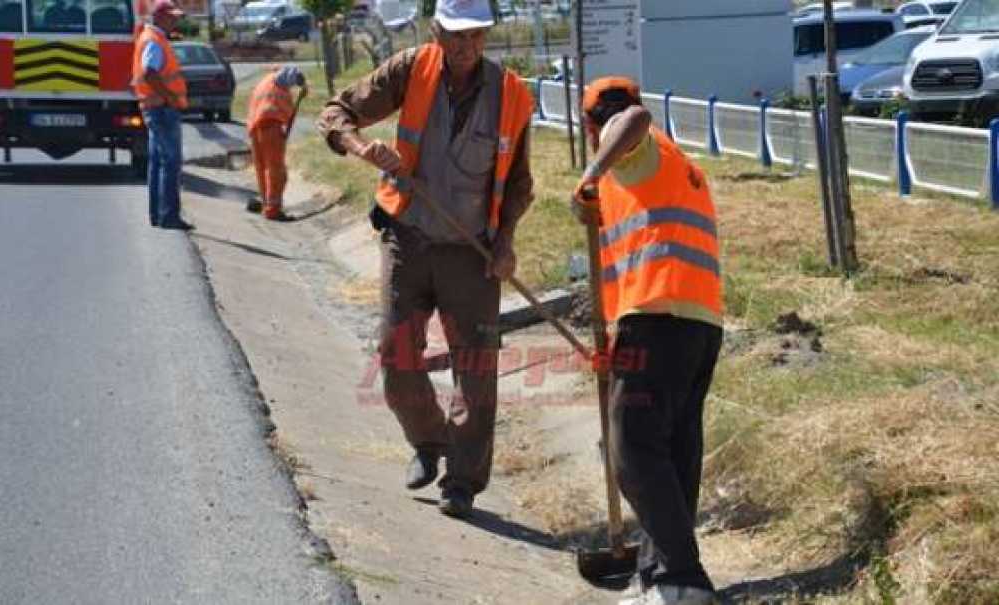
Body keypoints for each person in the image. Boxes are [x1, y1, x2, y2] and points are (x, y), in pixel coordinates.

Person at [316, 0, 534, 518]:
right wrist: (359, 146)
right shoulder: (412, 68)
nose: (466, 47)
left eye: (476, 35)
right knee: (396, 357)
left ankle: (461, 482)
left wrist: (505, 243)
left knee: (476, 370)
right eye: (456, 35)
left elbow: (520, 182)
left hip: (472, 251)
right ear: (435, 30)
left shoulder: (512, 94)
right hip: (407, 237)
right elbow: (336, 112)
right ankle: (429, 440)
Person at [571, 77, 723, 605]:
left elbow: (631, 121)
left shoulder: (633, 147)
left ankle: (682, 577)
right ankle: (661, 575)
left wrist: (591, 173)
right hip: (695, 321)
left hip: (660, 316)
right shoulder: (671, 165)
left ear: (593, 126)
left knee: (631, 447)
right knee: (673, 452)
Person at [131, 0, 192, 231]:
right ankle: (168, 216)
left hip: (156, 107)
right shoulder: (154, 41)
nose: (175, 20)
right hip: (162, 109)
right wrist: (170, 97)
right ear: (159, 17)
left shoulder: (152, 38)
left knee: (157, 162)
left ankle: (158, 215)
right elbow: (150, 72)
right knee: (171, 162)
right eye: (171, 16)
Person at [245, 66, 307, 221]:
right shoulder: (278, 90)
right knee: (276, 171)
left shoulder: (266, 82)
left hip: (254, 127)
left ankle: (266, 203)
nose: (292, 88)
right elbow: (288, 111)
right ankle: (273, 210)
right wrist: (301, 94)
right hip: (270, 127)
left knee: (262, 168)